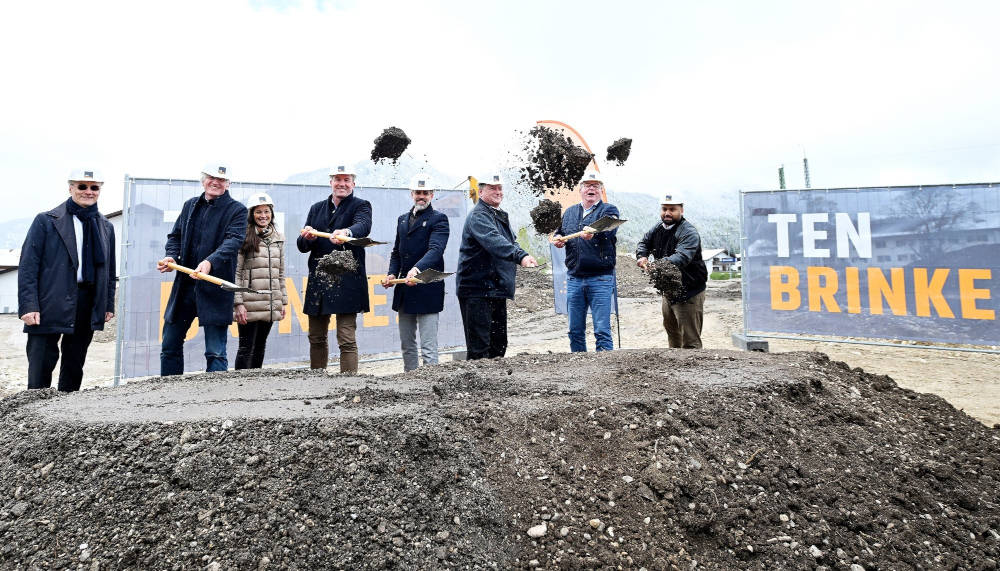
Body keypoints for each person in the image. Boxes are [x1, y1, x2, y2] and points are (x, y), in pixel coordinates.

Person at [18, 169, 116, 391]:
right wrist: (29, 305)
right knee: (41, 362)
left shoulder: (105, 226)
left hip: (87, 300)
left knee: (74, 362)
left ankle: (67, 411)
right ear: (70, 188)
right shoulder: (46, 221)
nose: (88, 192)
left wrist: (107, 304)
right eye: (82, 186)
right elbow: (28, 267)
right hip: (49, 299)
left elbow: (109, 271)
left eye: (94, 187)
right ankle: (35, 413)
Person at [157, 163, 247, 374]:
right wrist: (171, 255)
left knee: (215, 352)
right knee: (169, 346)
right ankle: (167, 393)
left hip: (215, 289)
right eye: (211, 177)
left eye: (222, 179)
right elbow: (175, 237)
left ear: (228, 184)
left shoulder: (237, 211)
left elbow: (233, 241)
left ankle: (214, 400)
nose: (215, 182)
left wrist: (210, 262)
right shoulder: (190, 206)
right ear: (203, 179)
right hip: (185, 287)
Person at [298, 164, 372, 373]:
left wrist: (346, 232)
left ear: (353, 184)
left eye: (346, 180)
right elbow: (302, 246)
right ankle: (318, 379)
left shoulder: (361, 205)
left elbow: (363, 226)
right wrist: (308, 237)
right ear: (331, 182)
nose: (342, 184)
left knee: (346, 338)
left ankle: (347, 385)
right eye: (338, 180)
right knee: (316, 337)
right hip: (320, 280)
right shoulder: (317, 208)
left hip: (347, 280)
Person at [455, 173, 538, 359]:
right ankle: (477, 387)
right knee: (480, 350)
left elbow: (511, 242)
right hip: (477, 291)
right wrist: (520, 257)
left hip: (496, 289)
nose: (498, 192)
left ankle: (496, 387)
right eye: (493, 188)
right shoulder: (478, 216)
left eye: (500, 188)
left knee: (498, 346)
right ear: (481, 190)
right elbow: (495, 241)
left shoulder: (498, 215)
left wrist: (523, 253)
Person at [381, 174, 450, 371]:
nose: (422, 196)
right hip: (405, 290)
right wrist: (392, 274)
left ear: (432, 195)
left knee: (428, 347)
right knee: (407, 346)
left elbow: (436, 250)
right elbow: (397, 252)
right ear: (412, 194)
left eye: (425, 193)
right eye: (418, 192)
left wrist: (416, 269)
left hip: (427, 287)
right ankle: (409, 384)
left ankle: (431, 384)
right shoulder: (402, 220)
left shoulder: (439, 219)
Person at [552, 171, 621, 352]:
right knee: (575, 330)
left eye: (596, 185)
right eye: (588, 185)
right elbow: (560, 231)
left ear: (601, 190)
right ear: (580, 189)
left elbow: (609, 227)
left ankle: (605, 370)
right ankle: (579, 368)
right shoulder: (570, 212)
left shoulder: (608, 210)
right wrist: (558, 237)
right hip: (575, 278)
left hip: (600, 279)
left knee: (601, 330)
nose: (592, 188)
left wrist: (594, 231)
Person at [636, 192, 707, 349]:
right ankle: (675, 371)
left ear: (681, 210)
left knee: (690, 341)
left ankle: (693, 371)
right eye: (664, 209)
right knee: (673, 335)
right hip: (669, 290)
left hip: (689, 291)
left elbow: (681, 257)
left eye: (672, 209)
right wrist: (642, 256)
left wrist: (656, 266)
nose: (667, 213)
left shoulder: (688, 232)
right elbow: (644, 242)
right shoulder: (658, 227)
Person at [233, 192, 288, 369]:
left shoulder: (278, 238)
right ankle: (240, 386)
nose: (263, 216)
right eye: (258, 212)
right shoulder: (243, 236)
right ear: (251, 214)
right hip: (249, 302)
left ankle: (255, 386)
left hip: (269, 301)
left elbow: (280, 273)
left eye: (266, 211)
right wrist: (238, 303)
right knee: (245, 348)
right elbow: (237, 272)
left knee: (260, 346)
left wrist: (283, 302)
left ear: (272, 213)